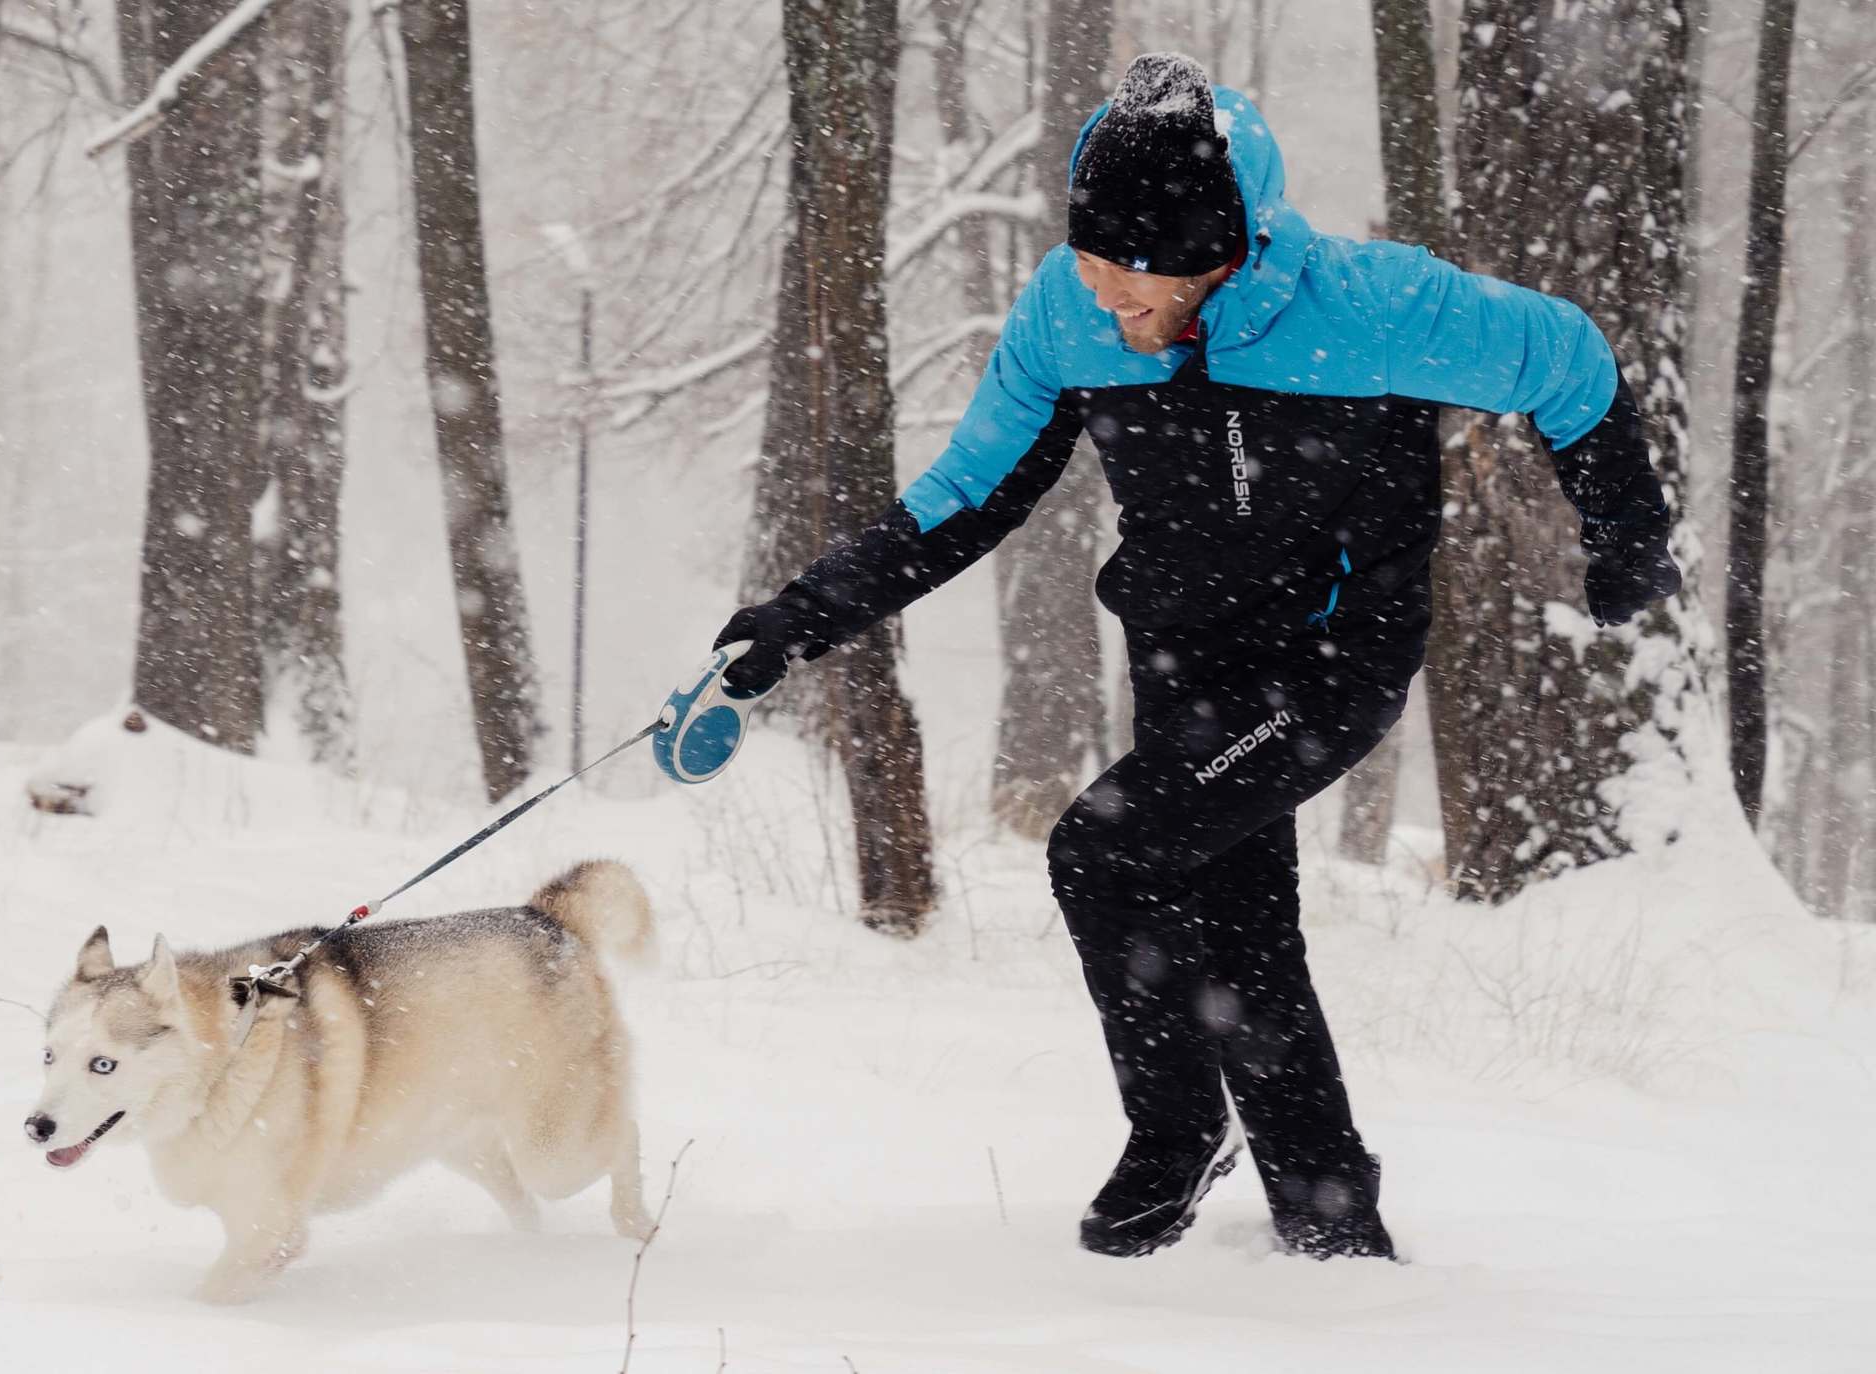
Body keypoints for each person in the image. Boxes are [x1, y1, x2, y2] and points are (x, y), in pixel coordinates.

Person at [711, 53, 1680, 1261]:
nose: (1109, 308)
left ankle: (1174, 1131)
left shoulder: (1369, 308)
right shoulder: (1067, 314)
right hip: (1183, 660)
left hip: (1328, 661)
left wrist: (1624, 534)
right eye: (1092, 275)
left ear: (1220, 255)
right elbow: (967, 496)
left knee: (1102, 851)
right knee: (1238, 923)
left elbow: (1567, 358)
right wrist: (797, 620)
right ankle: (1330, 1227)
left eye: (1135, 288)